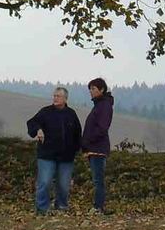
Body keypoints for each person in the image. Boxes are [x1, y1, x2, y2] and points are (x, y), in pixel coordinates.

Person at [26, 86, 82, 215]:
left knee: (64, 185)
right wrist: (38, 130)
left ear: (65, 98)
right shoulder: (45, 112)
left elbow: (78, 134)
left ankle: (61, 206)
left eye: (58, 96)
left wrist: (77, 149)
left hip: (66, 156)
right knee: (44, 182)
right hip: (47, 155)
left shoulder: (71, 114)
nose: (55, 98)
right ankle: (42, 209)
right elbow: (32, 123)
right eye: (54, 96)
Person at [81, 78, 114, 214]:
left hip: (98, 148)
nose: (91, 91)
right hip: (93, 148)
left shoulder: (104, 105)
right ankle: (98, 206)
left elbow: (102, 128)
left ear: (102, 90)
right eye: (90, 89)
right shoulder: (98, 105)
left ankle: (98, 207)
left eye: (94, 89)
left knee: (98, 180)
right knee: (96, 179)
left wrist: (89, 141)